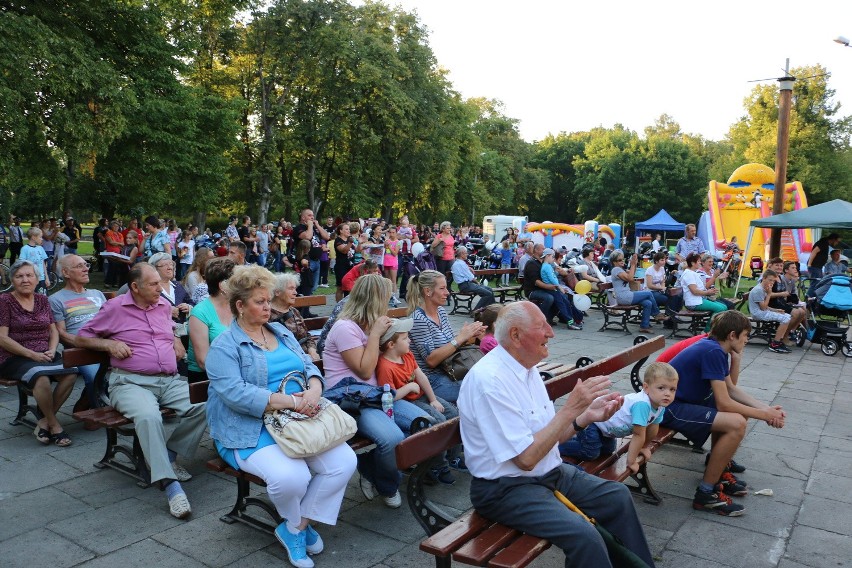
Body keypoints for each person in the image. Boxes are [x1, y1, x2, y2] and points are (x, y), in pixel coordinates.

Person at [458, 301, 656, 567]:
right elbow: (525, 459)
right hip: (506, 489)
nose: (551, 332)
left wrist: (585, 417)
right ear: (516, 335)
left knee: (617, 497)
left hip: (548, 473)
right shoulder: (489, 381)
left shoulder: (526, 370)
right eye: (542, 327)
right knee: (584, 536)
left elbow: (548, 439)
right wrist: (570, 409)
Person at [205, 264, 356, 568]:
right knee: (292, 477)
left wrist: (314, 389)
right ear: (240, 306)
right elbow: (235, 393)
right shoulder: (225, 346)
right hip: (249, 428)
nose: (268, 306)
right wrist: (288, 401)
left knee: (344, 463)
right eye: (260, 302)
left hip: (296, 421)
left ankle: (294, 528)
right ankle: (300, 522)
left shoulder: (280, 331)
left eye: (268, 299)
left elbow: (308, 365)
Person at [77, 263, 207, 519]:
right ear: (135, 287)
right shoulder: (115, 307)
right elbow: (82, 337)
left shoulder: (161, 305)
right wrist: (108, 344)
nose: (161, 288)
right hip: (129, 382)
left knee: (206, 403)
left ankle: (166, 456)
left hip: (168, 381)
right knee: (149, 417)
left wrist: (175, 338)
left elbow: (165, 328)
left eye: (160, 282)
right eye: (154, 284)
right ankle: (171, 486)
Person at [660, 310, 785, 516]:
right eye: (745, 335)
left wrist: (766, 408)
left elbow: (731, 390)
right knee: (736, 422)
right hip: (666, 409)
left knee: (739, 416)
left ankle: (718, 473)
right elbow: (725, 403)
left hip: (682, 402)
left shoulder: (715, 348)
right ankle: (706, 494)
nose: (747, 340)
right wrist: (765, 416)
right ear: (732, 335)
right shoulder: (713, 351)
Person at [321, 274, 429, 508]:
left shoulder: (371, 323)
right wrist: (376, 335)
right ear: (373, 298)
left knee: (425, 424)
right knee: (391, 438)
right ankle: (386, 485)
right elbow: (363, 370)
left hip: (378, 394)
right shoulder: (345, 328)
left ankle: (370, 464)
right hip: (352, 398)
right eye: (386, 296)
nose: (389, 302)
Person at [0, 260, 78, 447]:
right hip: (13, 356)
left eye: (29, 275)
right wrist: (31, 355)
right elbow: (2, 338)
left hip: (44, 352)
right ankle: (55, 425)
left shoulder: (43, 300)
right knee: (40, 376)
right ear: (12, 280)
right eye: (19, 276)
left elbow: (53, 331)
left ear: (37, 279)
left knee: (71, 372)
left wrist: (52, 349)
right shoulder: (4, 301)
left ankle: (43, 421)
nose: (25, 280)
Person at [376, 317, 459, 484]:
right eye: (405, 338)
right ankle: (437, 466)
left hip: (422, 396)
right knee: (438, 422)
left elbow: (421, 376)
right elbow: (389, 397)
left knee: (454, 414)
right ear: (391, 345)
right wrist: (408, 388)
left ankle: (453, 457)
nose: (410, 340)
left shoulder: (407, 355)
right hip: (408, 402)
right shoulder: (385, 366)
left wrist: (433, 399)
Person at [560, 362, 677, 475]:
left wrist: (644, 447)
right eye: (661, 388)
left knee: (607, 450)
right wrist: (631, 462)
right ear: (646, 387)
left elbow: (653, 427)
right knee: (590, 453)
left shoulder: (659, 405)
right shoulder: (642, 404)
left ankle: (570, 439)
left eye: (672, 389)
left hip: (606, 430)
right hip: (593, 423)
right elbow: (638, 434)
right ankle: (556, 446)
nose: (667, 394)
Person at [406, 269, 486, 404]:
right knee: (482, 390)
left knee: (489, 380)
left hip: (449, 371)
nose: (447, 292)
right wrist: (460, 338)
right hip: (432, 380)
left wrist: (467, 335)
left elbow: (449, 344)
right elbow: (431, 360)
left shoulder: (441, 312)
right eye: (442, 288)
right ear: (428, 291)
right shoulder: (418, 319)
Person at [50, 255, 107, 410]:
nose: (86, 268)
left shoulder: (97, 294)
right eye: (79, 266)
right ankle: (95, 409)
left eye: (86, 264)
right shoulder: (56, 299)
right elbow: (60, 333)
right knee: (96, 376)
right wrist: (87, 343)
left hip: (107, 345)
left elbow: (113, 320)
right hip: (81, 350)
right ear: (66, 273)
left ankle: (85, 405)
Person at [186, 258, 235, 383]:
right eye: (237, 281)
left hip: (235, 373)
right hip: (207, 379)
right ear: (223, 286)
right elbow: (203, 361)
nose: (243, 285)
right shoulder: (200, 312)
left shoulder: (237, 307)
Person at [270, 272, 318, 360]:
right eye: (291, 289)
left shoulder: (294, 311)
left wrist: (312, 351)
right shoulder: (267, 314)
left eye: (295, 289)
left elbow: (307, 336)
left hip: (307, 357)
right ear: (277, 292)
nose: (295, 292)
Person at [747, 269, 794, 354]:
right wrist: (769, 294)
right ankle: (775, 344)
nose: (772, 282)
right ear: (764, 278)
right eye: (770, 280)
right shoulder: (759, 290)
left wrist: (776, 310)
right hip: (758, 314)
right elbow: (763, 308)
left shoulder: (763, 288)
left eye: (773, 281)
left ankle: (779, 340)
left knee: (787, 316)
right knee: (785, 319)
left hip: (762, 312)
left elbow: (764, 306)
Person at [681, 252, 727, 332]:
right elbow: (694, 291)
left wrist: (710, 291)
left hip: (699, 300)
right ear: (692, 263)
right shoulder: (688, 274)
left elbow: (701, 288)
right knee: (720, 309)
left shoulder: (693, 273)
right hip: (693, 303)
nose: (700, 262)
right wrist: (708, 293)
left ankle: (715, 328)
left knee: (724, 307)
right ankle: (707, 331)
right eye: (698, 261)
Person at [539, 248, 583, 330]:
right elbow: (552, 279)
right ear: (548, 256)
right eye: (552, 257)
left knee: (565, 302)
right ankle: (570, 322)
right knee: (562, 305)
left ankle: (573, 320)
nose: (553, 259)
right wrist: (560, 287)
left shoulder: (547, 266)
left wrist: (556, 271)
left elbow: (553, 277)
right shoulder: (547, 267)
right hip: (553, 289)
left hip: (554, 289)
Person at [294, 209, 331, 294]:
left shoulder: (314, 228)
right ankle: (302, 305)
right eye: (309, 215)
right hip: (306, 261)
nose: (312, 217)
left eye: (313, 215)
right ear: (303, 217)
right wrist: (310, 226)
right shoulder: (298, 228)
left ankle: (306, 304)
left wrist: (317, 225)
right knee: (305, 287)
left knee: (313, 287)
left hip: (317, 261)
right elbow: (308, 237)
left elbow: (326, 237)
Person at [149, 252, 193, 323]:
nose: (169, 268)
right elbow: (146, 309)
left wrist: (188, 307)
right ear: (154, 269)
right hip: (161, 330)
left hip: (183, 330)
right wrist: (166, 311)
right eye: (164, 265)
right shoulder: (150, 288)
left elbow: (191, 302)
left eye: (171, 264)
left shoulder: (178, 285)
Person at [450, 246, 495, 312]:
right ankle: (476, 311)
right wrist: (477, 283)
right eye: (466, 253)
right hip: (466, 285)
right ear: (462, 254)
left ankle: (492, 309)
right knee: (488, 294)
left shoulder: (459, 263)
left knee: (489, 289)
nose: (467, 254)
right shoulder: (460, 264)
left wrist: (468, 268)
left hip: (466, 285)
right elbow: (471, 277)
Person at [19, 227, 51, 294]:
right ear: (33, 237)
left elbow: (43, 264)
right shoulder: (25, 249)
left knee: (42, 298)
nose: (42, 239)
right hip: (31, 280)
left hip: (41, 279)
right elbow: (22, 265)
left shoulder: (40, 248)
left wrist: (46, 278)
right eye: (40, 237)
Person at [333, 223, 355, 302]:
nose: (348, 231)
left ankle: (347, 306)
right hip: (341, 267)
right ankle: (339, 307)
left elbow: (357, 250)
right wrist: (350, 243)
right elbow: (344, 251)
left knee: (349, 287)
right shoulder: (338, 240)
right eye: (346, 229)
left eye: (349, 229)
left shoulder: (349, 240)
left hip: (350, 266)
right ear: (341, 231)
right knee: (340, 287)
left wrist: (360, 243)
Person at [383, 226, 401, 305]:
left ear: (396, 233)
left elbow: (395, 253)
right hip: (386, 261)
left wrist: (389, 246)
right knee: (387, 280)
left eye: (393, 232)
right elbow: (383, 250)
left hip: (393, 262)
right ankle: (387, 296)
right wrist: (385, 244)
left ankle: (394, 297)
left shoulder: (398, 242)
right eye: (390, 232)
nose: (392, 234)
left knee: (393, 280)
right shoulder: (387, 240)